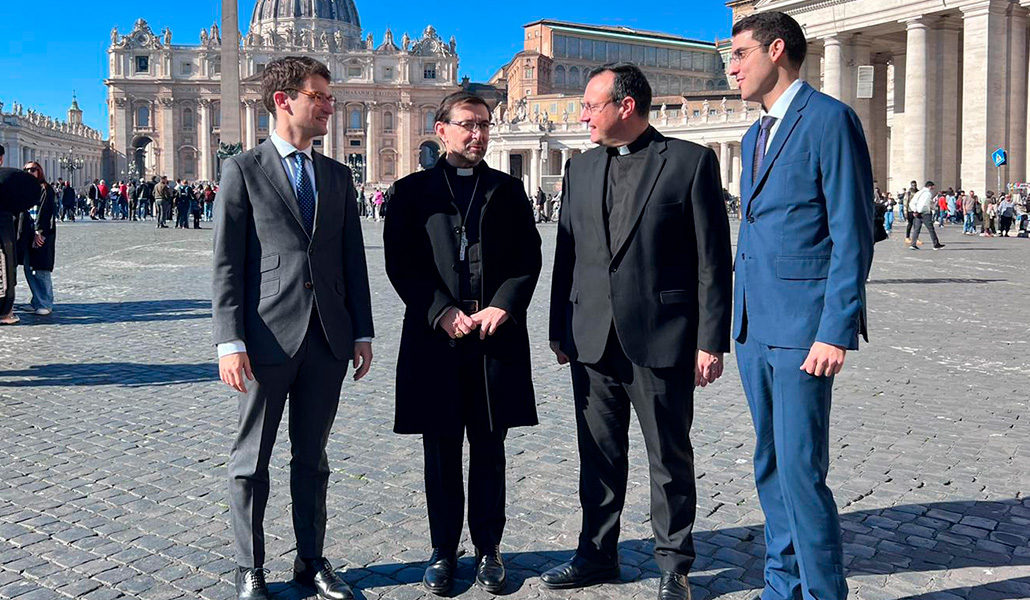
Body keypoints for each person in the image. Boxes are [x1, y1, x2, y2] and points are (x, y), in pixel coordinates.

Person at [545, 62, 732, 600]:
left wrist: (710, 340)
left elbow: (712, 259)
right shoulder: (579, 168)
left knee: (668, 457)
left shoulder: (690, 162)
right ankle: (596, 554)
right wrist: (559, 326)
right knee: (597, 454)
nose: (583, 116)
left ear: (625, 106)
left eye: (590, 106)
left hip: (662, 335)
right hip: (591, 337)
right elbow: (567, 254)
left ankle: (674, 564)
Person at [213, 55, 374, 600]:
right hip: (265, 337)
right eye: (319, 96)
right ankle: (249, 568)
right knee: (251, 460)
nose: (329, 106)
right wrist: (229, 340)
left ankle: (311, 560)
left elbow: (352, 260)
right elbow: (227, 264)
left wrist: (362, 331)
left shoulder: (338, 175)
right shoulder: (242, 170)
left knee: (313, 458)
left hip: (327, 337)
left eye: (330, 97)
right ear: (284, 100)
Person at [728, 12, 874, 600]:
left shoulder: (830, 120)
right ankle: (780, 586)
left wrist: (835, 329)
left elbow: (852, 233)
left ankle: (822, 593)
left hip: (803, 330)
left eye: (739, 54)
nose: (732, 69)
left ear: (776, 50)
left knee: (800, 469)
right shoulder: (753, 135)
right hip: (752, 326)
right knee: (769, 463)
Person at [384, 91, 542, 596]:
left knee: (490, 448)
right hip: (437, 339)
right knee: (440, 451)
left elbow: (528, 258)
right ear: (442, 129)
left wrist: (504, 304)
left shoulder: (508, 191)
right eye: (468, 125)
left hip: (494, 337)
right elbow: (401, 263)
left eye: (485, 125)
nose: (478, 134)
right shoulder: (410, 192)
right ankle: (443, 551)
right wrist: (440, 310)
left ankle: (489, 549)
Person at [19, 162, 57, 316]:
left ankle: (45, 303)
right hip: (27, 234)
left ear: (39, 171)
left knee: (41, 269)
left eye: (33, 169)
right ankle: (36, 301)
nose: (29, 172)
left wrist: (39, 231)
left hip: (41, 233)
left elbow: (45, 212)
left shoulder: (45, 189)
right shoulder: (25, 190)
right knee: (29, 268)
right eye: (26, 170)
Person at [909, 181, 945, 250]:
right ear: (930, 186)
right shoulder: (927, 194)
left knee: (916, 229)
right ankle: (936, 244)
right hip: (924, 213)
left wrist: (915, 210)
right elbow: (924, 204)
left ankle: (913, 244)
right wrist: (918, 211)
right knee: (931, 229)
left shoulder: (919, 192)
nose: (934, 188)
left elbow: (912, 202)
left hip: (917, 213)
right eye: (933, 186)